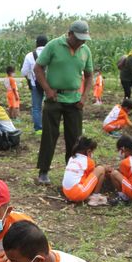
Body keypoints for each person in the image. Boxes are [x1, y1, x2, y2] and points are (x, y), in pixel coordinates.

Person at [34, 21, 94, 185]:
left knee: (75, 138)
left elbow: (89, 75)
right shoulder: (53, 45)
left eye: (84, 39)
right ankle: (44, 171)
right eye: (78, 39)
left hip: (75, 101)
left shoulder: (85, 50)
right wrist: (47, 89)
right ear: (70, 34)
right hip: (55, 99)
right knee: (49, 136)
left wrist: (84, 97)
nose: (81, 42)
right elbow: (38, 68)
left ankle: (71, 170)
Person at [62, 136, 109, 206]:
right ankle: (95, 197)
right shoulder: (88, 161)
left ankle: (83, 196)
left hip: (66, 192)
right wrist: (104, 168)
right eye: (93, 152)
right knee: (100, 169)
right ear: (89, 151)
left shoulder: (72, 158)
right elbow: (94, 177)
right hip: (77, 193)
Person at [20, 35, 48, 132]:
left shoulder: (29, 55)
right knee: (50, 106)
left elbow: (23, 72)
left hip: (36, 85)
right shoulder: (51, 54)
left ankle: (38, 129)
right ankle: (49, 127)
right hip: (50, 85)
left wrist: (31, 76)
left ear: (36, 44)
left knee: (36, 107)